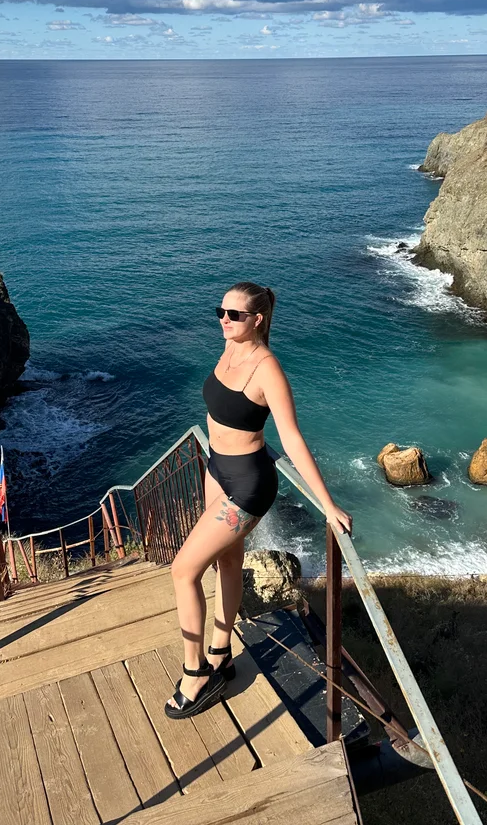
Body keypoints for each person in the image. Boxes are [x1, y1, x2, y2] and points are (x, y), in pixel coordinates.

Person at [165, 281, 353, 718]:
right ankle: (220, 653)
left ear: (257, 320)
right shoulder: (229, 348)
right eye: (220, 312)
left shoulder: (268, 370)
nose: (224, 320)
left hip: (249, 482)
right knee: (227, 563)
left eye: (234, 315)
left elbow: (291, 438)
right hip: (216, 467)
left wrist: (327, 504)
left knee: (183, 570)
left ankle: (196, 675)